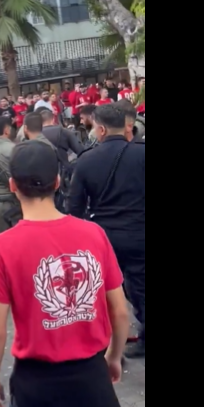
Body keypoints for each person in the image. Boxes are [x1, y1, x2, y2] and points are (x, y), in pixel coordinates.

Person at [0, 142, 132, 407]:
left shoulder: (1, 247)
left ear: (12, 185)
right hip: (91, 377)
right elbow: (120, 310)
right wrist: (114, 356)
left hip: (36, 382)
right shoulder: (93, 234)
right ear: (58, 182)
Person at [69, 104, 146, 358]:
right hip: (139, 235)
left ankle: (108, 348)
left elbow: (75, 209)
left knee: (103, 293)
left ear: (100, 129)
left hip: (104, 239)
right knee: (141, 288)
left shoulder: (86, 161)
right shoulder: (141, 154)